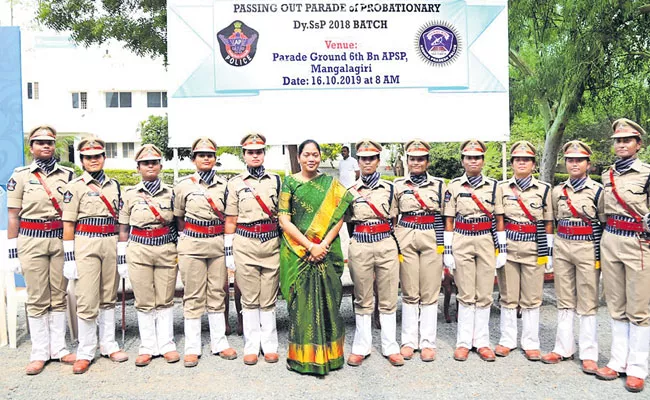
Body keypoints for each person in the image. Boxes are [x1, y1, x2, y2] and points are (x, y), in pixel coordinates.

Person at [278, 139, 353, 376]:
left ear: (320, 157)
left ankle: (330, 356)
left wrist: (323, 245)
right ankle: (302, 358)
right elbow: (283, 220)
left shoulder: (331, 184)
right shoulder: (289, 182)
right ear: (299, 157)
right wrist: (309, 246)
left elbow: (338, 217)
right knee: (299, 306)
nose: (311, 159)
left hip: (325, 252)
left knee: (328, 302)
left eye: (315, 155)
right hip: (297, 252)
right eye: (307, 155)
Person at [6, 125, 76, 375]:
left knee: (59, 293)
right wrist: (12, 250)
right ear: (31, 147)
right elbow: (13, 215)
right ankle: (39, 352)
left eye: (49, 142)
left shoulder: (68, 176)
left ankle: (58, 348)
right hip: (31, 239)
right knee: (37, 296)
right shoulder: (21, 176)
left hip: (58, 238)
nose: (45, 146)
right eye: (40, 142)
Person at [62, 136, 129, 374]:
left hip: (109, 241)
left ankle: (108, 344)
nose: (93, 160)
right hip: (86, 242)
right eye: (88, 157)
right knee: (87, 297)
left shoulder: (115, 185)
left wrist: (121, 252)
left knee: (108, 294)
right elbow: (68, 223)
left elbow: (120, 221)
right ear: (82, 160)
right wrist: (69, 257)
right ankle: (85, 350)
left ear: (104, 158)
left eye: (97, 156)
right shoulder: (75, 186)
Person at [596, 118, 650, 393]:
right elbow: (603, 210)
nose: (621, 145)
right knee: (615, 304)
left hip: (638, 242)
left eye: (627, 140)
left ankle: (638, 368)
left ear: (638, 144)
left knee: (639, 308)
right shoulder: (607, 175)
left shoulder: (647, 173)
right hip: (611, 239)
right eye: (618, 140)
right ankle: (618, 361)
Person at [174, 137, 237, 367]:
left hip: (216, 244)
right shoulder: (183, 186)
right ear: (193, 159)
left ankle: (219, 342)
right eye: (201, 155)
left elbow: (230, 215)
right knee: (193, 294)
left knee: (218, 293)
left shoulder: (225, 185)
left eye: (210, 155)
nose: (206, 158)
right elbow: (179, 217)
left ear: (215, 158)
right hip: (192, 244)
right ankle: (192, 346)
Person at [541, 140, 603, 374]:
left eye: (579, 160)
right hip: (563, 245)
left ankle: (589, 353)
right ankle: (563, 347)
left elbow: (603, 223)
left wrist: (599, 255)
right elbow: (554, 221)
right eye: (570, 160)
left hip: (587, 247)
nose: (574, 164)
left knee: (587, 300)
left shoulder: (598, 191)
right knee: (564, 298)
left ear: (588, 163)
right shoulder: (558, 191)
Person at [117, 144, 180, 367]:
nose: (150, 166)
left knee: (165, 297)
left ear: (161, 166)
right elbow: (123, 228)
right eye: (146, 163)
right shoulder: (129, 194)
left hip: (165, 248)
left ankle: (166, 344)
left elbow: (178, 222)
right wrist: (121, 257)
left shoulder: (172, 192)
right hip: (139, 249)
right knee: (144, 299)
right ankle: (147, 346)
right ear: (138, 167)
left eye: (154, 162)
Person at [224, 133, 281, 365]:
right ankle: (251, 345)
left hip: (270, 242)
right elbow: (230, 220)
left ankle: (269, 345)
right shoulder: (235, 183)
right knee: (249, 297)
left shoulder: (276, 181)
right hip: (245, 242)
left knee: (268, 296)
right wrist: (229, 251)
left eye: (259, 151)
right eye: (250, 152)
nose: (255, 155)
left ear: (264, 153)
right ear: (244, 155)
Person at [494, 140, 553, 361]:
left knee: (532, 296)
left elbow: (548, 222)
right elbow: (499, 219)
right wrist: (500, 248)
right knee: (508, 296)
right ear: (512, 163)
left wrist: (548, 251)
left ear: (533, 164)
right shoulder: (501, 188)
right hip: (509, 245)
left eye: (526, 159)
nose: (522, 163)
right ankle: (507, 340)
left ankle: (530, 342)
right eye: (518, 159)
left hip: (533, 247)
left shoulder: (544, 189)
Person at [346, 140, 402, 367]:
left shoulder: (391, 189)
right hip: (360, 244)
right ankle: (362, 346)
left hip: (385, 244)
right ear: (358, 161)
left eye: (371, 158)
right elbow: (349, 222)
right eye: (363, 158)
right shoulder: (350, 191)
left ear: (378, 161)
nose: (367, 162)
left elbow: (395, 219)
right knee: (362, 296)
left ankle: (390, 346)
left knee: (388, 296)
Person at [443, 139, 500, 362]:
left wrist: (501, 249)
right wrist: (448, 250)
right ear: (463, 161)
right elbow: (449, 218)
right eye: (468, 157)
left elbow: (499, 217)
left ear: (483, 160)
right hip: (462, 238)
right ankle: (464, 342)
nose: (473, 160)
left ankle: (482, 342)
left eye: (477, 157)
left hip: (485, 239)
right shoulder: (454, 186)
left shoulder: (494, 186)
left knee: (485, 292)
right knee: (466, 292)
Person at [394, 139, 446, 362]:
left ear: (427, 161)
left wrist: (446, 246)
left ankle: (427, 342)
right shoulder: (397, 185)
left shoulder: (440, 185)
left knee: (430, 290)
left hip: (431, 234)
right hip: (405, 233)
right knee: (409, 289)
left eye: (421, 159)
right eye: (413, 159)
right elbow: (392, 215)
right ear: (407, 161)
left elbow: (446, 216)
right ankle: (408, 341)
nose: (416, 162)